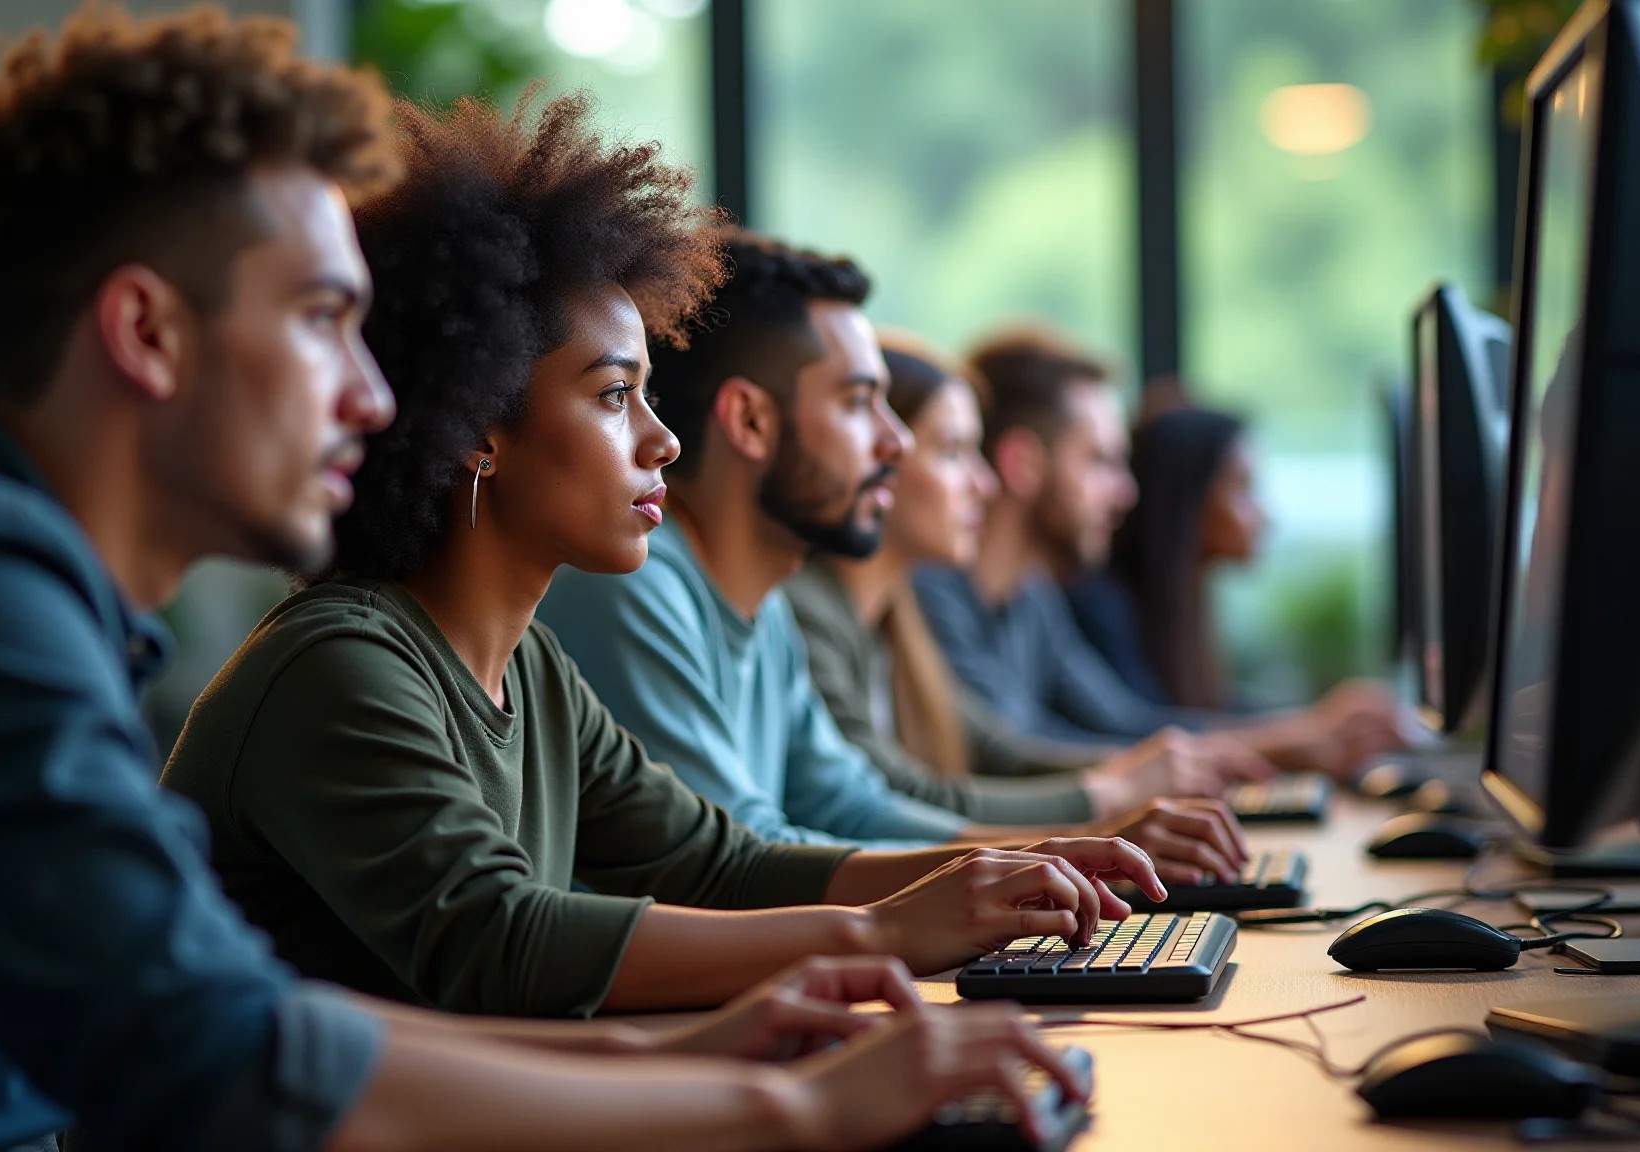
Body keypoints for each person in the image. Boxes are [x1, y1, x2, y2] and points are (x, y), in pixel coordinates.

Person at [0, 10, 1084, 1149]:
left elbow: (259, 1022)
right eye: (325, 321)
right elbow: (231, 1056)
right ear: (147, 331)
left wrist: (690, 1061)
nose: (379, 394)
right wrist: (787, 1104)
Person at [161, 92, 1173, 1022]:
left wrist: (993, 873)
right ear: (479, 426)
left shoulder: (531, 672)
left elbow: (715, 863)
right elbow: (495, 939)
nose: (662, 440)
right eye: (612, 397)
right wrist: (882, 934)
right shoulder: (341, 667)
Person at [533, 230, 1251, 877]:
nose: (896, 443)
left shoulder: (765, 607)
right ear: (750, 421)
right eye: (856, 403)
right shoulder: (641, 582)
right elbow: (729, 858)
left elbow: (850, 804)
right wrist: (1025, 857)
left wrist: (1048, 853)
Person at [784, 331, 1273, 838]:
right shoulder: (836, 609)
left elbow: (999, 749)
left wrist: (1142, 777)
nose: (984, 483)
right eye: (954, 452)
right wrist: (1108, 799)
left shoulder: (902, 612)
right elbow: (889, 796)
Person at [912, 325, 1406, 779]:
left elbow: (1125, 723)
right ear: (1023, 464)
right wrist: (1296, 740)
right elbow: (1019, 756)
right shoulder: (932, 596)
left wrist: (1308, 731)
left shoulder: (1030, 596)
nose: (1125, 493)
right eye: (1099, 461)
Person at [1072, 404, 1265, 710]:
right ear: (1188, 496)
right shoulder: (1100, 607)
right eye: (1242, 488)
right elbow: (1141, 728)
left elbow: (1215, 709)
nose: (1262, 514)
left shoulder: (1183, 605)